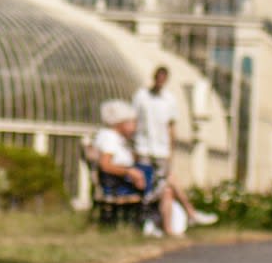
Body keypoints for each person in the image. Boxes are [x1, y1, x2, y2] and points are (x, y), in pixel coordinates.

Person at [90, 99, 216, 237]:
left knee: (168, 184)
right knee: (168, 180)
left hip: (124, 182)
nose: (135, 127)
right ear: (121, 123)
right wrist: (131, 172)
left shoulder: (116, 139)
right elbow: (105, 165)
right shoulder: (109, 138)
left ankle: (172, 225)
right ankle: (188, 215)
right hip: (119, 186)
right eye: (132, 123)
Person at [131, 65, 180, 179]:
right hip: (143, 147)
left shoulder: (170, 99)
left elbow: (171, 127)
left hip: (162, 150)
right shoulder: (141, 96)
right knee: (143, 178)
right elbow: (133, 120)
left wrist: (171, 153)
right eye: (158, 77)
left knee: (161, 181)